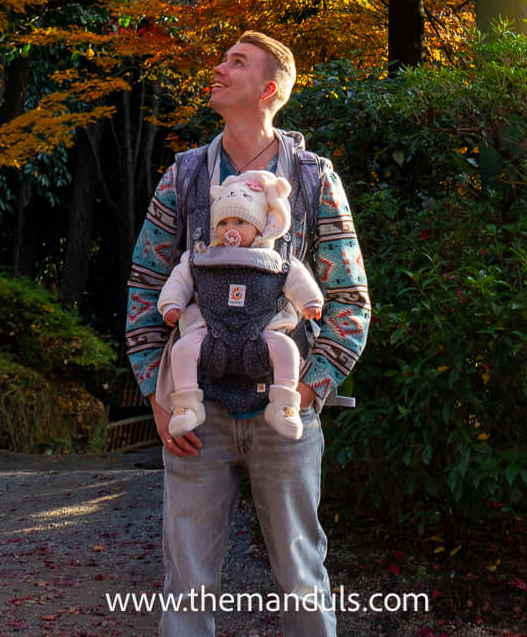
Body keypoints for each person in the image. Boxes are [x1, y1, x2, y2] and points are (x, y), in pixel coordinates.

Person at [126, 31, 370, 637]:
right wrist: (159, 394)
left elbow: (349, 300)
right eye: (221, 58)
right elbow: (144, 288)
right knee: (186, 585)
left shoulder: (313, 181)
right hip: (194, 413)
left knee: (300, 578)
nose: (218, 67)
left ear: (268, 90)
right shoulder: (183, 177)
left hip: (285, 411)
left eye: (236, 63)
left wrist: (309, 390)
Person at [157, 167, 325, 439]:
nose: (229, 229)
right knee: (183, 349)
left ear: (259, 226)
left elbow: (298, 279)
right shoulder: (203, 256)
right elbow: (180, 279)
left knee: (287, 350)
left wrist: (310, 302)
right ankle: (187, 405)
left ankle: (284, 405)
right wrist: (172, 305)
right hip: (210, 329)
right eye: (223, 223)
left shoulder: (274, 260)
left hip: (261, 331)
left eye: (239, 222)